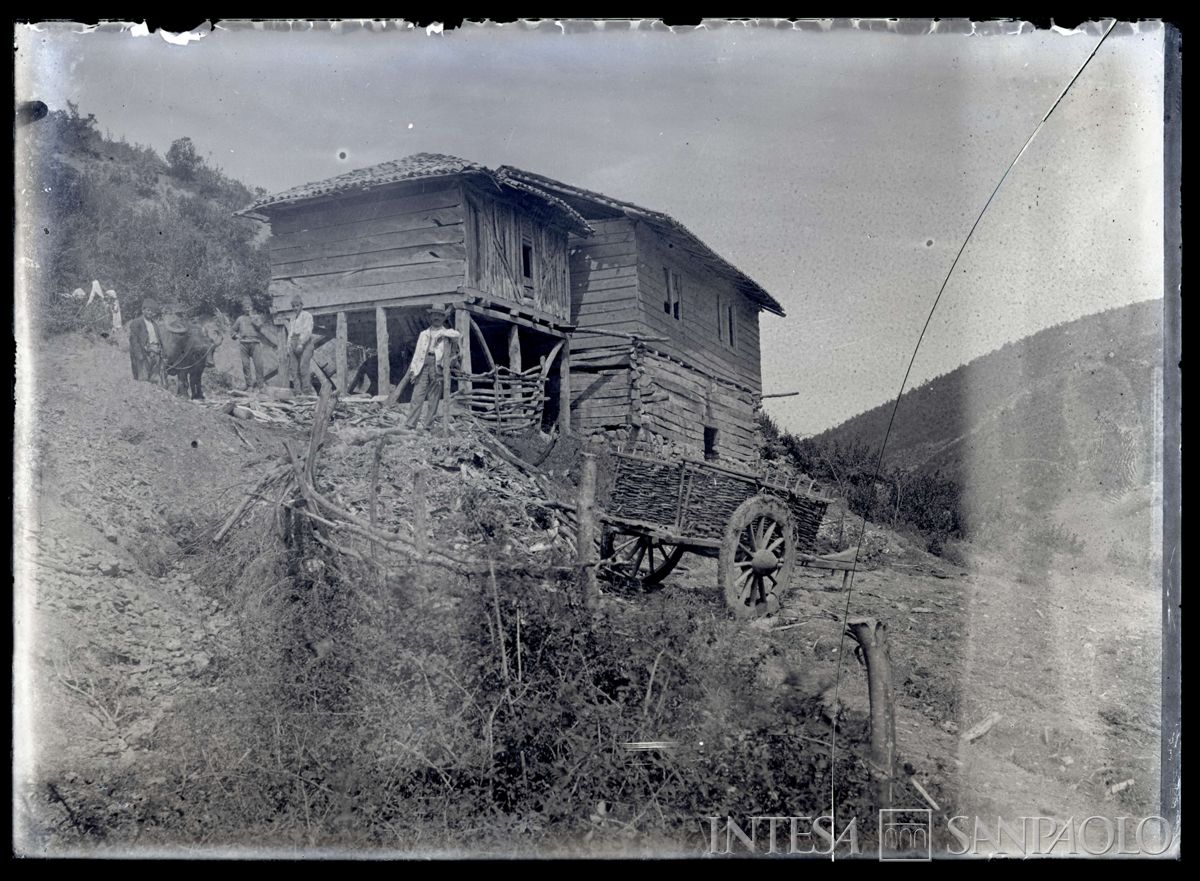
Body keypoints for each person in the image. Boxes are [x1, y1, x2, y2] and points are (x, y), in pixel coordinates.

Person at [404, 306, 462, 430]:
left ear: (443, 318)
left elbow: (457, 335)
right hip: (423, 364)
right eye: (434, 315)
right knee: (417, 395)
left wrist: (441, 334)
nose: (436, 318)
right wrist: (413, 370)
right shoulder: (423, 334)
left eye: (440, 315)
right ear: (430, 317)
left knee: (434, 397)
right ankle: (410, 424)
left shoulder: (448, 333)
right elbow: (417, 353)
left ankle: (428, 426)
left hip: (437, 365)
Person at [232, 298, 268, 390]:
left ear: (252, 307)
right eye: (245, 307)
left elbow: (259, 326)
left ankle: (261, 386)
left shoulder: (257, 317)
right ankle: (249, 386)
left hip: (255, 343)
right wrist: (236, 336)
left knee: (259, 365)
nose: (247, 309)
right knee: (246, 365)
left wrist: (252, 317)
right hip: (244, 344)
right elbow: (232, 330)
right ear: (243, 309)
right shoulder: (240, 319)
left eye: (249, 307)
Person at [127, 298, 164, 382]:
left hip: (156, 352)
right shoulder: (136, 323)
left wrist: (161, 351)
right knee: (143, 379)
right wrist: (139, 355)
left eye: (152, 311)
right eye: (148, 310)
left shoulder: (155, 324)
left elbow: (159, 339)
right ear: (143, 310)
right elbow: (134, 341)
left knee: (154, 379)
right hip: (144, 354)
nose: (151, 313)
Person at [286, 295, 316, 394]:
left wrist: (301, 343)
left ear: (301, 305)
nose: (295, 308)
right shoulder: (292, 318)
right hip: (293, 342)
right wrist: (288, 346)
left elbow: (307, 331)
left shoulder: (307, 315)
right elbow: (290, 332)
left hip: (305, 343)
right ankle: (298, 392)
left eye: (297, 306)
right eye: (293, 306)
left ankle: (306, 392)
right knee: (294, 369)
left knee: (303, 368)